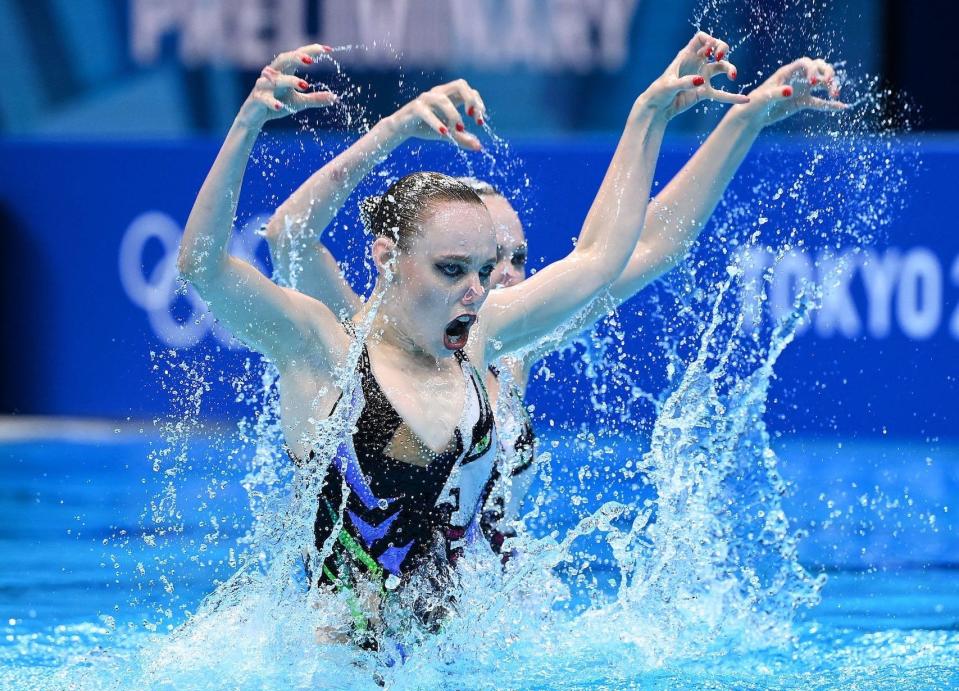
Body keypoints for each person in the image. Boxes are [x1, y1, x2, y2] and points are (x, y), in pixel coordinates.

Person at [177, 35, 748, 638]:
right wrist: (248, 125)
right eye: (451, 271)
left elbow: (600, 259)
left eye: (484, 271)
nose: (476, 291)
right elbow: (205, 268)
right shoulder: (326, 351)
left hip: (458, 670)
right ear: (388, 259)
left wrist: (647, 114)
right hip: (338, 683)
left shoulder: (483, 341)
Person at [261, 55, 845, 554]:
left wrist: (746, 118)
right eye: (477, 262)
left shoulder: (514, 340)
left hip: (473, 628)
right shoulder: (356, 335)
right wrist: (393, 128)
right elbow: (289, 233)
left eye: (514, 258)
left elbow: (647, 246)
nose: (504, 276)